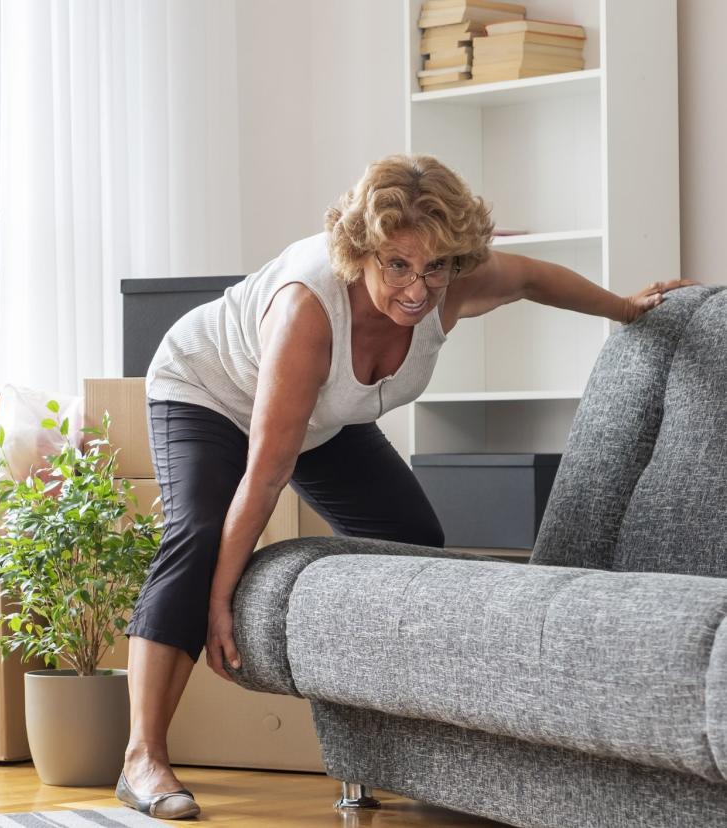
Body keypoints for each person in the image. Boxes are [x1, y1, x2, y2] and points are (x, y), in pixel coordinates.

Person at [112, 153, 694, 820]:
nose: (418, 289)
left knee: (413, 539)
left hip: (325, 418)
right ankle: (143, 758)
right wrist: (219, 603)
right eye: (397, 266)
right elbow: (267, 471)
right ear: (360, 252)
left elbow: (533, 277)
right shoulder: (308, 310)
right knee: (198, 534)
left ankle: (392, 747)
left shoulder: (453, 284)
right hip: (209, 391)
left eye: (435, 268)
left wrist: (629, 309)